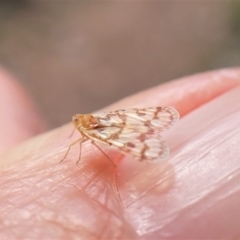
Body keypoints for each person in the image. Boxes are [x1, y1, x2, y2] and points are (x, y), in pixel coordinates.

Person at [0, 67, 240, 239]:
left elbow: (89, 140)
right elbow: (83, 140)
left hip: (113, 129)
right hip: (110, 127)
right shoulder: (85, 127)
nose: (75, 123)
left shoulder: (91, 127)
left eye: (76, 121)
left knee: (121, 137)